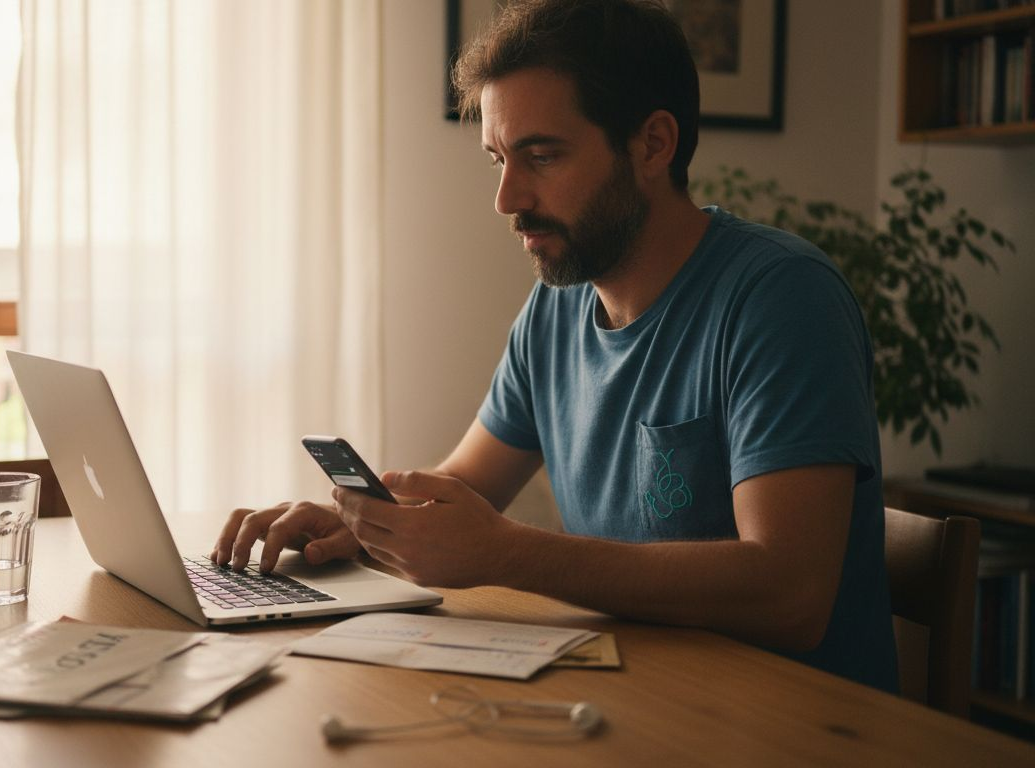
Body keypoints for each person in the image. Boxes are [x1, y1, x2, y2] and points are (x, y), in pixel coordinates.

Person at [210, 0, 898, 692]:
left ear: (653, 145)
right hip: (635, 697)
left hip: (790, 721)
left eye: (541, 156)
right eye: (499, 159)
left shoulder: (781, 297)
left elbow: (790, 594)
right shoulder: (556, 309)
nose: (507, 198)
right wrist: (355, 527)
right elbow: (464, 488)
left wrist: (511, 555)